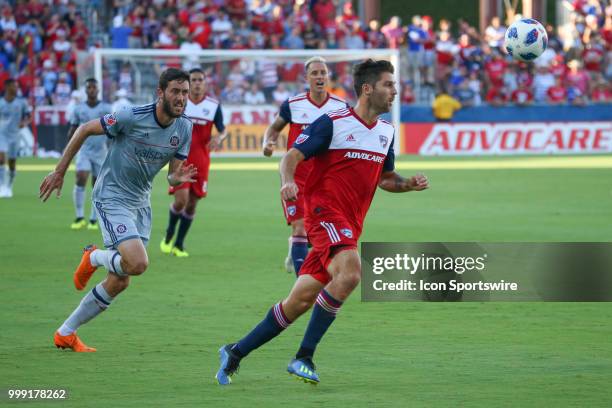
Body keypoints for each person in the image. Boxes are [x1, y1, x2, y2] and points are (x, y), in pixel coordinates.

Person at [216, 59, 429, 385]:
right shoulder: (333, 122)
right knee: (352, 272)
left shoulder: (386, 131)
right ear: (368, 88)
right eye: (389, 85)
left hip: (349, 226)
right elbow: (291, 157)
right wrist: (287, 182)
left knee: (298, 302)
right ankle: (304, 357)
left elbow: (385, 178)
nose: (395, 91)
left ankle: (235, 352)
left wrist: (407, 185)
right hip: (323, 214)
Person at [39, 68, 196, 352]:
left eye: (185, 92)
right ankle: (94, 256)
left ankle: (66, 332)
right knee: (138, 263)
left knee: (120, 280)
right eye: (175, 91)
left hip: (140, 203)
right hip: (111, 196)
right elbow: (86, 128)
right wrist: (59, 171)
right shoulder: (130, 116)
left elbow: (172, 174)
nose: (181, 98)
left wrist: (176, 179)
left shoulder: (185, 128)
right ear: (160, 92)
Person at [262, 56, 348, 276]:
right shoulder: (293, 104)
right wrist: (268, 143)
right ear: (306, 77)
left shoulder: (340, 107)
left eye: (323, 73)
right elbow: (274, 128)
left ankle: (295, 250)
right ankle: (302, 283)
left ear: (328, 76)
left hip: (326, 180)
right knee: (299, 226)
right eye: (315, 73)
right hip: (296, 177)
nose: (320, 77)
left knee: (313, 233)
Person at [162, 68, 226, 257]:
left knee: (191, 205)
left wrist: (219, 138)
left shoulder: (213, 105)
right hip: (181, 159)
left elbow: (223, 130)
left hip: (202, 162)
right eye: (194, 80)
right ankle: (169, 233)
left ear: (205, 83)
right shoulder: (180, 102)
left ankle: (179, 245)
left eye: (200, 80)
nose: (197, 83)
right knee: (181, 200)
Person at [67, 78, 112, 230]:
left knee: (97, 185)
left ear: (98, 90)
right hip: (84, 150)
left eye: (94, 87)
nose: (92, 90)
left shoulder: (106, 107)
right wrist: (70, 146)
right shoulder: (78, 108)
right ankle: (79, 216)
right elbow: (73, 129)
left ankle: (93, 219)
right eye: (89, 88)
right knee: (81, 177)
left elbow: (113, 129)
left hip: (101, 152)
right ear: (85, 90)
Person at [0, 78, 30, 198]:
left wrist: (24, 122)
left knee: (12, 162)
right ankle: (2, 185)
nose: (17, 88)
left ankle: (9, 185)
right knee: (1, 158)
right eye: (14, 86)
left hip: (15, 135)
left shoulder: (21, 103)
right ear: (7, 88)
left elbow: (28, 116)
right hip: (2, 134)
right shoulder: (1, 103)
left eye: (17, 86)